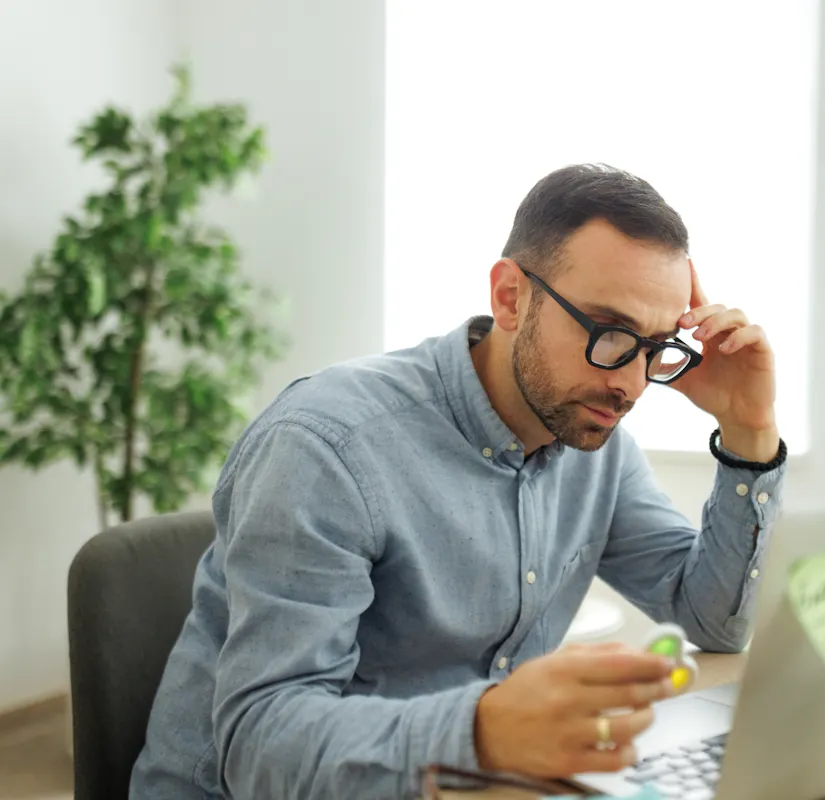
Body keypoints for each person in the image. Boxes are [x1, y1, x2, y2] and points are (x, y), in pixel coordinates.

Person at [129, 163, 787, 799]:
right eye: (610, 333)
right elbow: (260, 754)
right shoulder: (326, 448)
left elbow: (714, 619)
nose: (632, 383)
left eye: (655, 347)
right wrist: (484, 731)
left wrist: (748, 429)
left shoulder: (593, 440)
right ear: (510, 297)